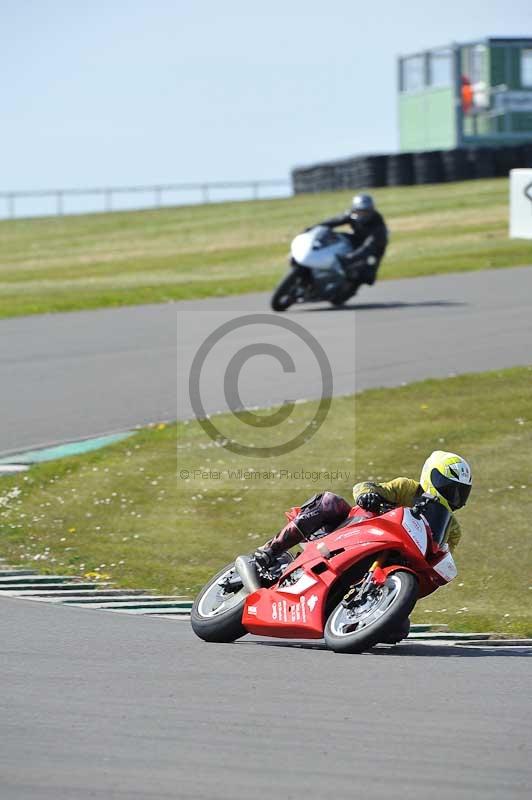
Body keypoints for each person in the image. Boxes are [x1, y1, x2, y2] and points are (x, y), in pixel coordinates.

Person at [254, 451, 472, 568]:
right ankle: (271, 550)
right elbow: (366, 487)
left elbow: (441, 558)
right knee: (330, 501)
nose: (453, 496)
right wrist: (367, 496)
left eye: (459, 493)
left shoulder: (452, 529)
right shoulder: (407, 488)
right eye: (448, 488)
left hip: (395, 562)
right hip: (359, 533)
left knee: (398, 630)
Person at [312, 193, 388, 286]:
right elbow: (334, 221)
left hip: (374, 248)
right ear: (355, 210)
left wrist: (348, 258)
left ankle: (346, 287)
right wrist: (315, 227)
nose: (363, 214)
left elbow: (367, 248)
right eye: (360, 211)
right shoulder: (351, 215)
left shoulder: (378, 226)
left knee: (367, 274)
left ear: (372, 210)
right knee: (337, 237)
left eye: (366, 212)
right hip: (357, 238)